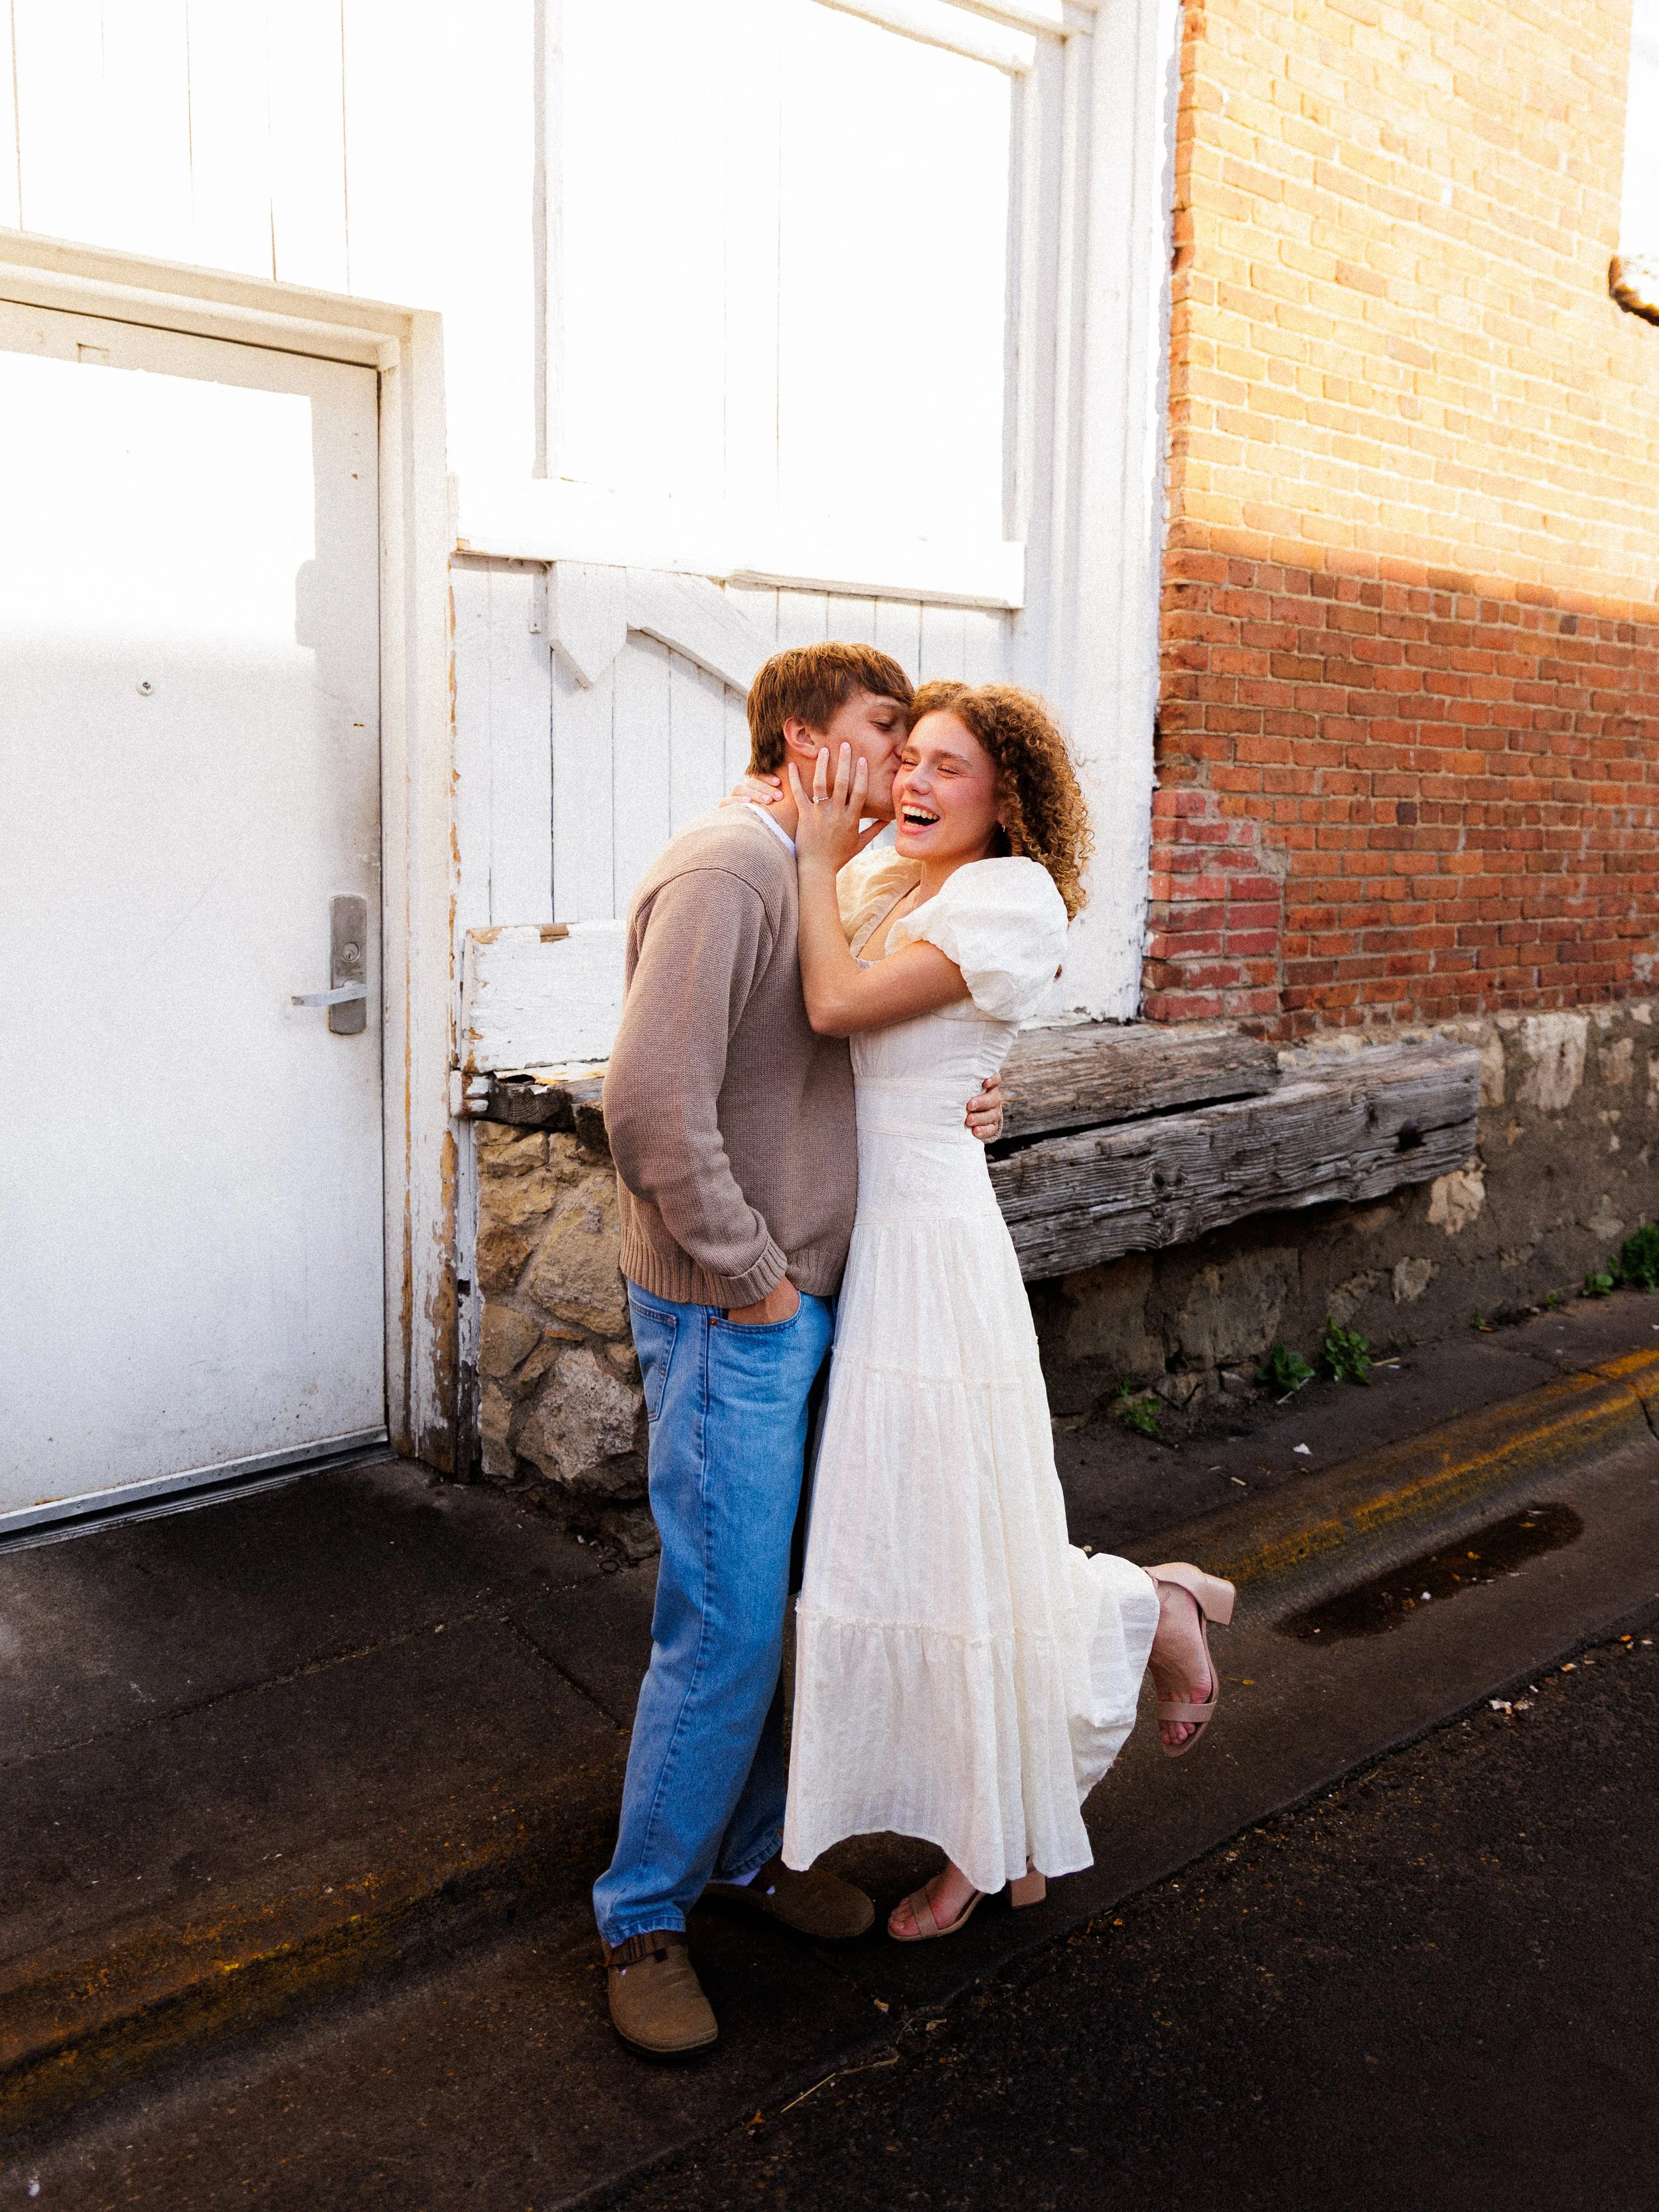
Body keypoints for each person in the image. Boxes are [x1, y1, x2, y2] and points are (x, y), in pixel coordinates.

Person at [769, 681, 1235, 1943]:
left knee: (954, 1539)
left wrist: (817, 854)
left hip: (935, 1257)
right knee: (912, 1542)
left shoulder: (1006, 897)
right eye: (907, 758)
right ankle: (1153, 1603)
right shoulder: (885, 888)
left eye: (949, 769)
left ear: (1007, 795)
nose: (914, 783)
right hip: (874, 1251)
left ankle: (991, 1831)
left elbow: (831, 1008)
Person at [594, 643, 1007, 2056]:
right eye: (884, 733)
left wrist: (971, 1097)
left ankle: (744, 1855)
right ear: (794, 737)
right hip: (736, 1310)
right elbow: (649, 1107)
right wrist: (754, 1277)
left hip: (820, 1297)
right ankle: (643, 1915)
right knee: (720, 1625)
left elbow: (850, 1050)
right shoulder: (723, 869)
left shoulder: (828, 876)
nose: (903, 765)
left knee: (796, 1603)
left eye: (915, 742)